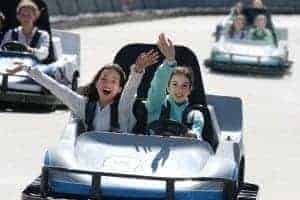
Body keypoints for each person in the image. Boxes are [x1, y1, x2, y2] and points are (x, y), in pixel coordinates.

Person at [6, 50, 159, 133]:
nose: (107, 84)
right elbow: (58, 89)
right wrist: (27, 69)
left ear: (119, 88)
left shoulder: (123, 106)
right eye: (104, 79)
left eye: (113, 81)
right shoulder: (84, 105)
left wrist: (138, 69)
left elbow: (131, 87)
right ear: (96, 83)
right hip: (91, 158)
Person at [139, 33, 204, 139]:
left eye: (184, 85)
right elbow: (158, 86)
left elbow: (197, 132)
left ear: (190, 89)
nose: (179, 89)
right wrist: (170, 61)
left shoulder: (194, 115)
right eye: (174, 84)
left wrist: (192, 135)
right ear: (168, 87)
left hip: (182, 153)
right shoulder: (156, 105)